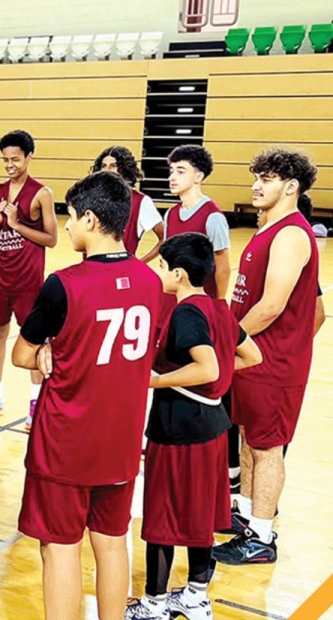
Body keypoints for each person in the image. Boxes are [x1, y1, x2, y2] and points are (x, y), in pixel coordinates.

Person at [12, 171, 161, 620]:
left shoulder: (64, 283)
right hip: (120, 440)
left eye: (72, 217)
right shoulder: (151, 282)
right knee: (113, 543)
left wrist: (46, 353)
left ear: (92, 220)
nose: (69, 225)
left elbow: (22, 354)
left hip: (66, 444)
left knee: (59, 549)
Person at [125, 233, 261, 620]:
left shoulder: (185, 312)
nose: (158, 271)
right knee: (201, 516)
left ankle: (153, 604)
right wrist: (214, 382)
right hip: (213, 426)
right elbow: (251, 355)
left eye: (163, 266)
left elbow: (208, 367)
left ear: (179, 274)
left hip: (180, 427)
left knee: (162, 518)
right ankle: (196, 598)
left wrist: (152, 380)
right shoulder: (218, 308)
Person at [216, 147, 320, 565]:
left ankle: (261, 538)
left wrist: (227, 337)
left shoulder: (292, 235)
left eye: (268, 178)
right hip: (254, 358)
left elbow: (272, 305)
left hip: (270, 364)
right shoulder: (266, 230)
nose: (256, 185)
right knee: (250, 442)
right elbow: (315, 311)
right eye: (256, 177)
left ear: (291, 187)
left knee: (267, 448)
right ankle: (247, 519)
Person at [0, 129, 58, 429]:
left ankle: (36, 400)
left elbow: (51, 239)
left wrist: (16, 224)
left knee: (33, 340)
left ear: (29, 157)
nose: (10, 165)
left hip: (28, 281)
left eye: (16, 160)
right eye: (5, 160)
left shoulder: (41, 193)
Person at [163, 145, 230, 299]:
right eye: (171, 171)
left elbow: (223, 268)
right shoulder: (170, 214)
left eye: (180, 172)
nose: (172, 177)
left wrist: (218, 304)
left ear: (198, 177)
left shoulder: (213, 216)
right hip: (172, 298)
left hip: (199, 301)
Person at [90, 145, 165, 261]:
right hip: (92, 272)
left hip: (122, 274)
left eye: (113, 166)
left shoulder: (141, 202)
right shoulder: (92, 197)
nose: (107, 170)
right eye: (103, 166)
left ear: (124, 169)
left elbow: (165, 237)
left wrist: (140, 263)